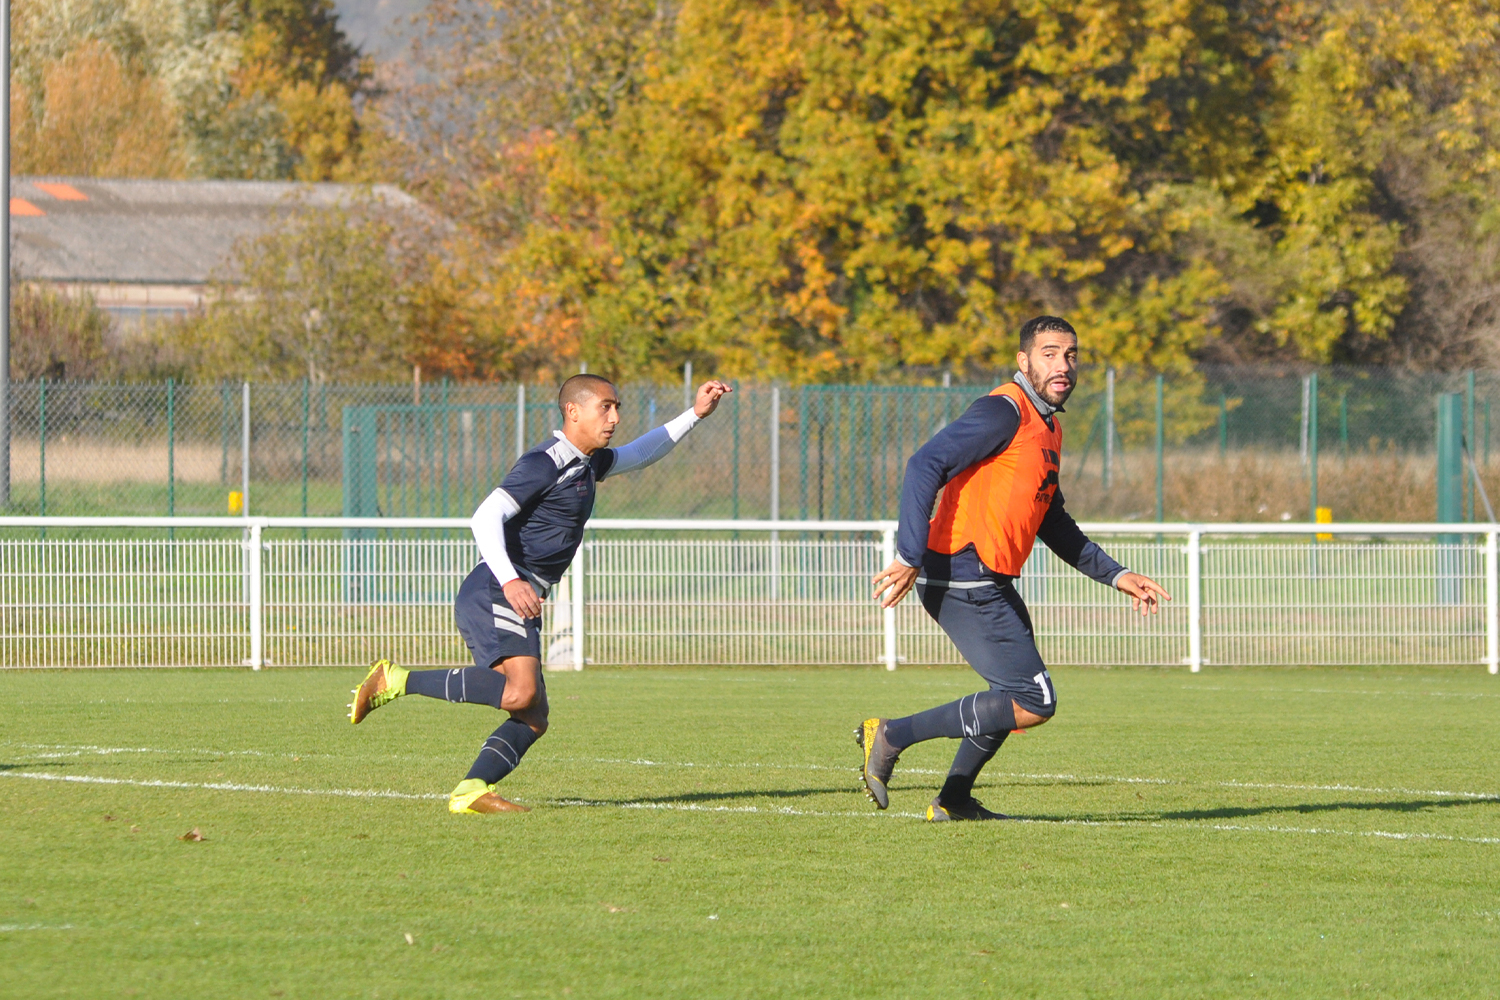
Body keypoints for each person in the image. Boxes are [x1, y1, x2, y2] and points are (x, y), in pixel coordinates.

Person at [349, 374, 732, 814]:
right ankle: (397, 680)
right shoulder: (547, 461)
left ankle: (471, 790)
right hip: (498, 588)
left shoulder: (588, 462)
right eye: (605, 407)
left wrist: (696, 414)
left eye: (617, 407)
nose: (615, 417)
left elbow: (642, 453)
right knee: (519, 694)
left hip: (521, 593)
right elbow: (484, 516)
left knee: (532, 717)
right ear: (574, 411)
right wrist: (512, 581)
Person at [860, 316, 1170, 821]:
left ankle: (954, 801)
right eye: (1049, 353)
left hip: (986, 578)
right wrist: (909, 553)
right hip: (962, 573)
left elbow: (1053, 520)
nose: (1062, 364)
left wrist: (1116, 574)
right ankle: (891, 735)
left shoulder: (1048, 426)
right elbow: (924, 464)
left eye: (1070, 354)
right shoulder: (1004, 410)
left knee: (1011, 696)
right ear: (1024, 361)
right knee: (1034, 699)